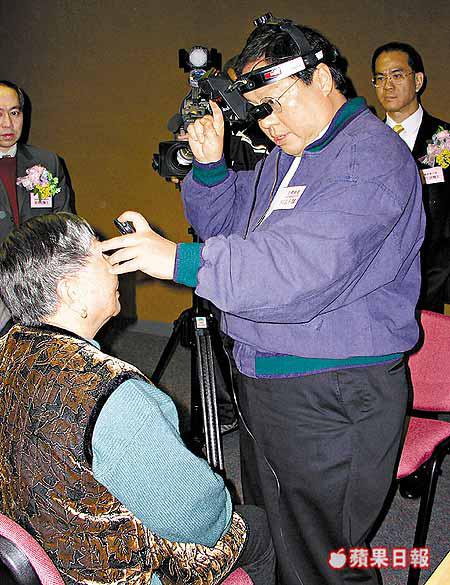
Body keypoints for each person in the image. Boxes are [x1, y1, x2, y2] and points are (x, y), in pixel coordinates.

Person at [101, 16, 425, 585]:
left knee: (328, 557)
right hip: (271, 377)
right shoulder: (296, 152)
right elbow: (235, 226)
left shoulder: (367, 159)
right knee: (279, 534)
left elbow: (292, 270)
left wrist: (176, 261)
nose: (268, 124)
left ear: (321, 78)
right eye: (259, 112)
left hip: (331, 390)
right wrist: (209, 167)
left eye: (276, 104)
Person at [0, 212, 275, 585]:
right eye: (102, 255)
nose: (116, 269)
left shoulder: (7, 349)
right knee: (257, 526)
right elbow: (202, 519)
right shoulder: (113, 396)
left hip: (39, 550)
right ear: (70, 290)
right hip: (112, 571)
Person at [371, 43, 450, 312]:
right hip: (374, 286)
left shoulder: (445, 139)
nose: (387, 85)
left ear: (417, 80)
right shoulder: (364, 142)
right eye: (380, 78)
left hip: (430, 283)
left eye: (396, 75)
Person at [0, 80, 75, 335]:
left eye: (14, 112)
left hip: (39, 280)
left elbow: (64, 222)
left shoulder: (46, 162)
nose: (7, 124)